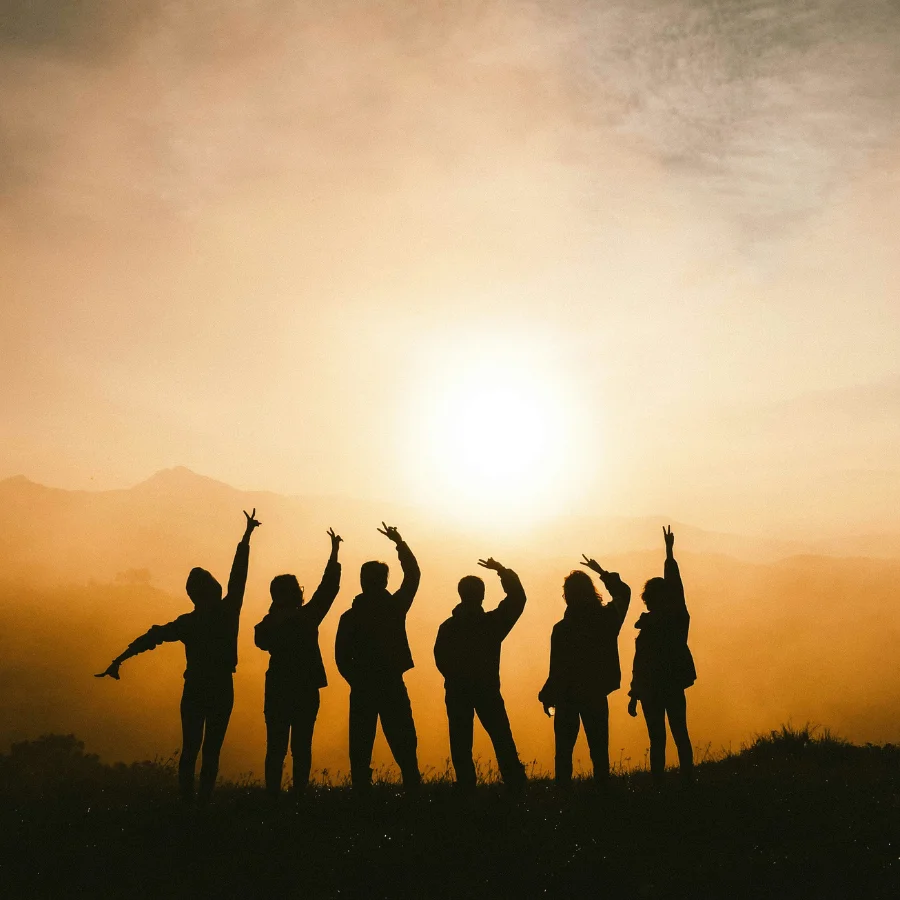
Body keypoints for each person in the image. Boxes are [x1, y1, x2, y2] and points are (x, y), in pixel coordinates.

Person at [96, 509, 261, 804]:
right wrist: (246, 538)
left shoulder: (188, 623)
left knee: (190, 749)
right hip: (221, 687)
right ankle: (203, 804)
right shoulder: (227, 612)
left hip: (195, 688)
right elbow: (239, 576)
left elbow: (152, 637)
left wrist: (119, 659)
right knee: (211, 751)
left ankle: (187, 803)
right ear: (214, 589)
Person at [254, 528, 342, 800]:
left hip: (278, 688)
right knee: (301, 746)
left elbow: (260, 641)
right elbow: (328, 590)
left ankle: (272, 796)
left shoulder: (269, 623)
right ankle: (299, 795)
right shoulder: (307, 618)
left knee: (275, 748)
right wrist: (334, 554)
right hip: (305, 689)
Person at [334, 523, 421, 792]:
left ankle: (361, 791)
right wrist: (400, 543)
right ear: (384, 581)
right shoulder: (394, 608)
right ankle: (412, 787)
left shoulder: (350, 617)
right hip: (391, 682)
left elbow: (341, 656)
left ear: (362, 581)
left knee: (360, 742)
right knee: (403, 739)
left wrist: (355, 679)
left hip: (362, 686)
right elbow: (413, 576)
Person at [434, 558, 527, 793]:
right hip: (487, 690)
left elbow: (440, 659)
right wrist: (502, 571)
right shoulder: (491, 624)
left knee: (460, 741)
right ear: (482, 596)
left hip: (457, 691)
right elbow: (518, 599)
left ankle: (466, 786)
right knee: (501, 736)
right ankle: (515, 782)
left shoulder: (448, 627)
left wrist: (456, 678)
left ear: (460, 595)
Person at [538, 556, 630, 786]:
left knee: (563, 753)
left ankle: (563, 795)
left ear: (567, 596)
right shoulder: (607, 619)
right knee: (599, 750)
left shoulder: (562, 629)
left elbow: (556, 668)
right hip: (596, 692)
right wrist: (602, 572)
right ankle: (602, 793)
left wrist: (548, 695)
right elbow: (624, 595)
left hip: (567, 696)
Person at [627, 525, 696, 786]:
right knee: (679, 733)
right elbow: (676, 588)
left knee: (659, 738)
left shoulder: (665, 622)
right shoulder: (676, 620)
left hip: (652, 690)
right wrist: (668, 553)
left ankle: (659, 784)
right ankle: (686, 780)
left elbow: (640, 664)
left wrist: (635, 693)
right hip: (669, 686)